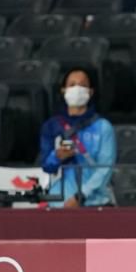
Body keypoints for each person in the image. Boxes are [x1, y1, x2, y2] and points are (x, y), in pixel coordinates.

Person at [39, 68, 116, 207]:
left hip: (94, 204)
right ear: (63, 90)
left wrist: (80, 196)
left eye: (83, 85)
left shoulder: (103, 126)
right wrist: (57, 156)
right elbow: (46, 166)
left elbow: (105, 168)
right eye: (72, 85)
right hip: (59, 205)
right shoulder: (52, 126)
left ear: (91, 92)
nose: (77, 89)